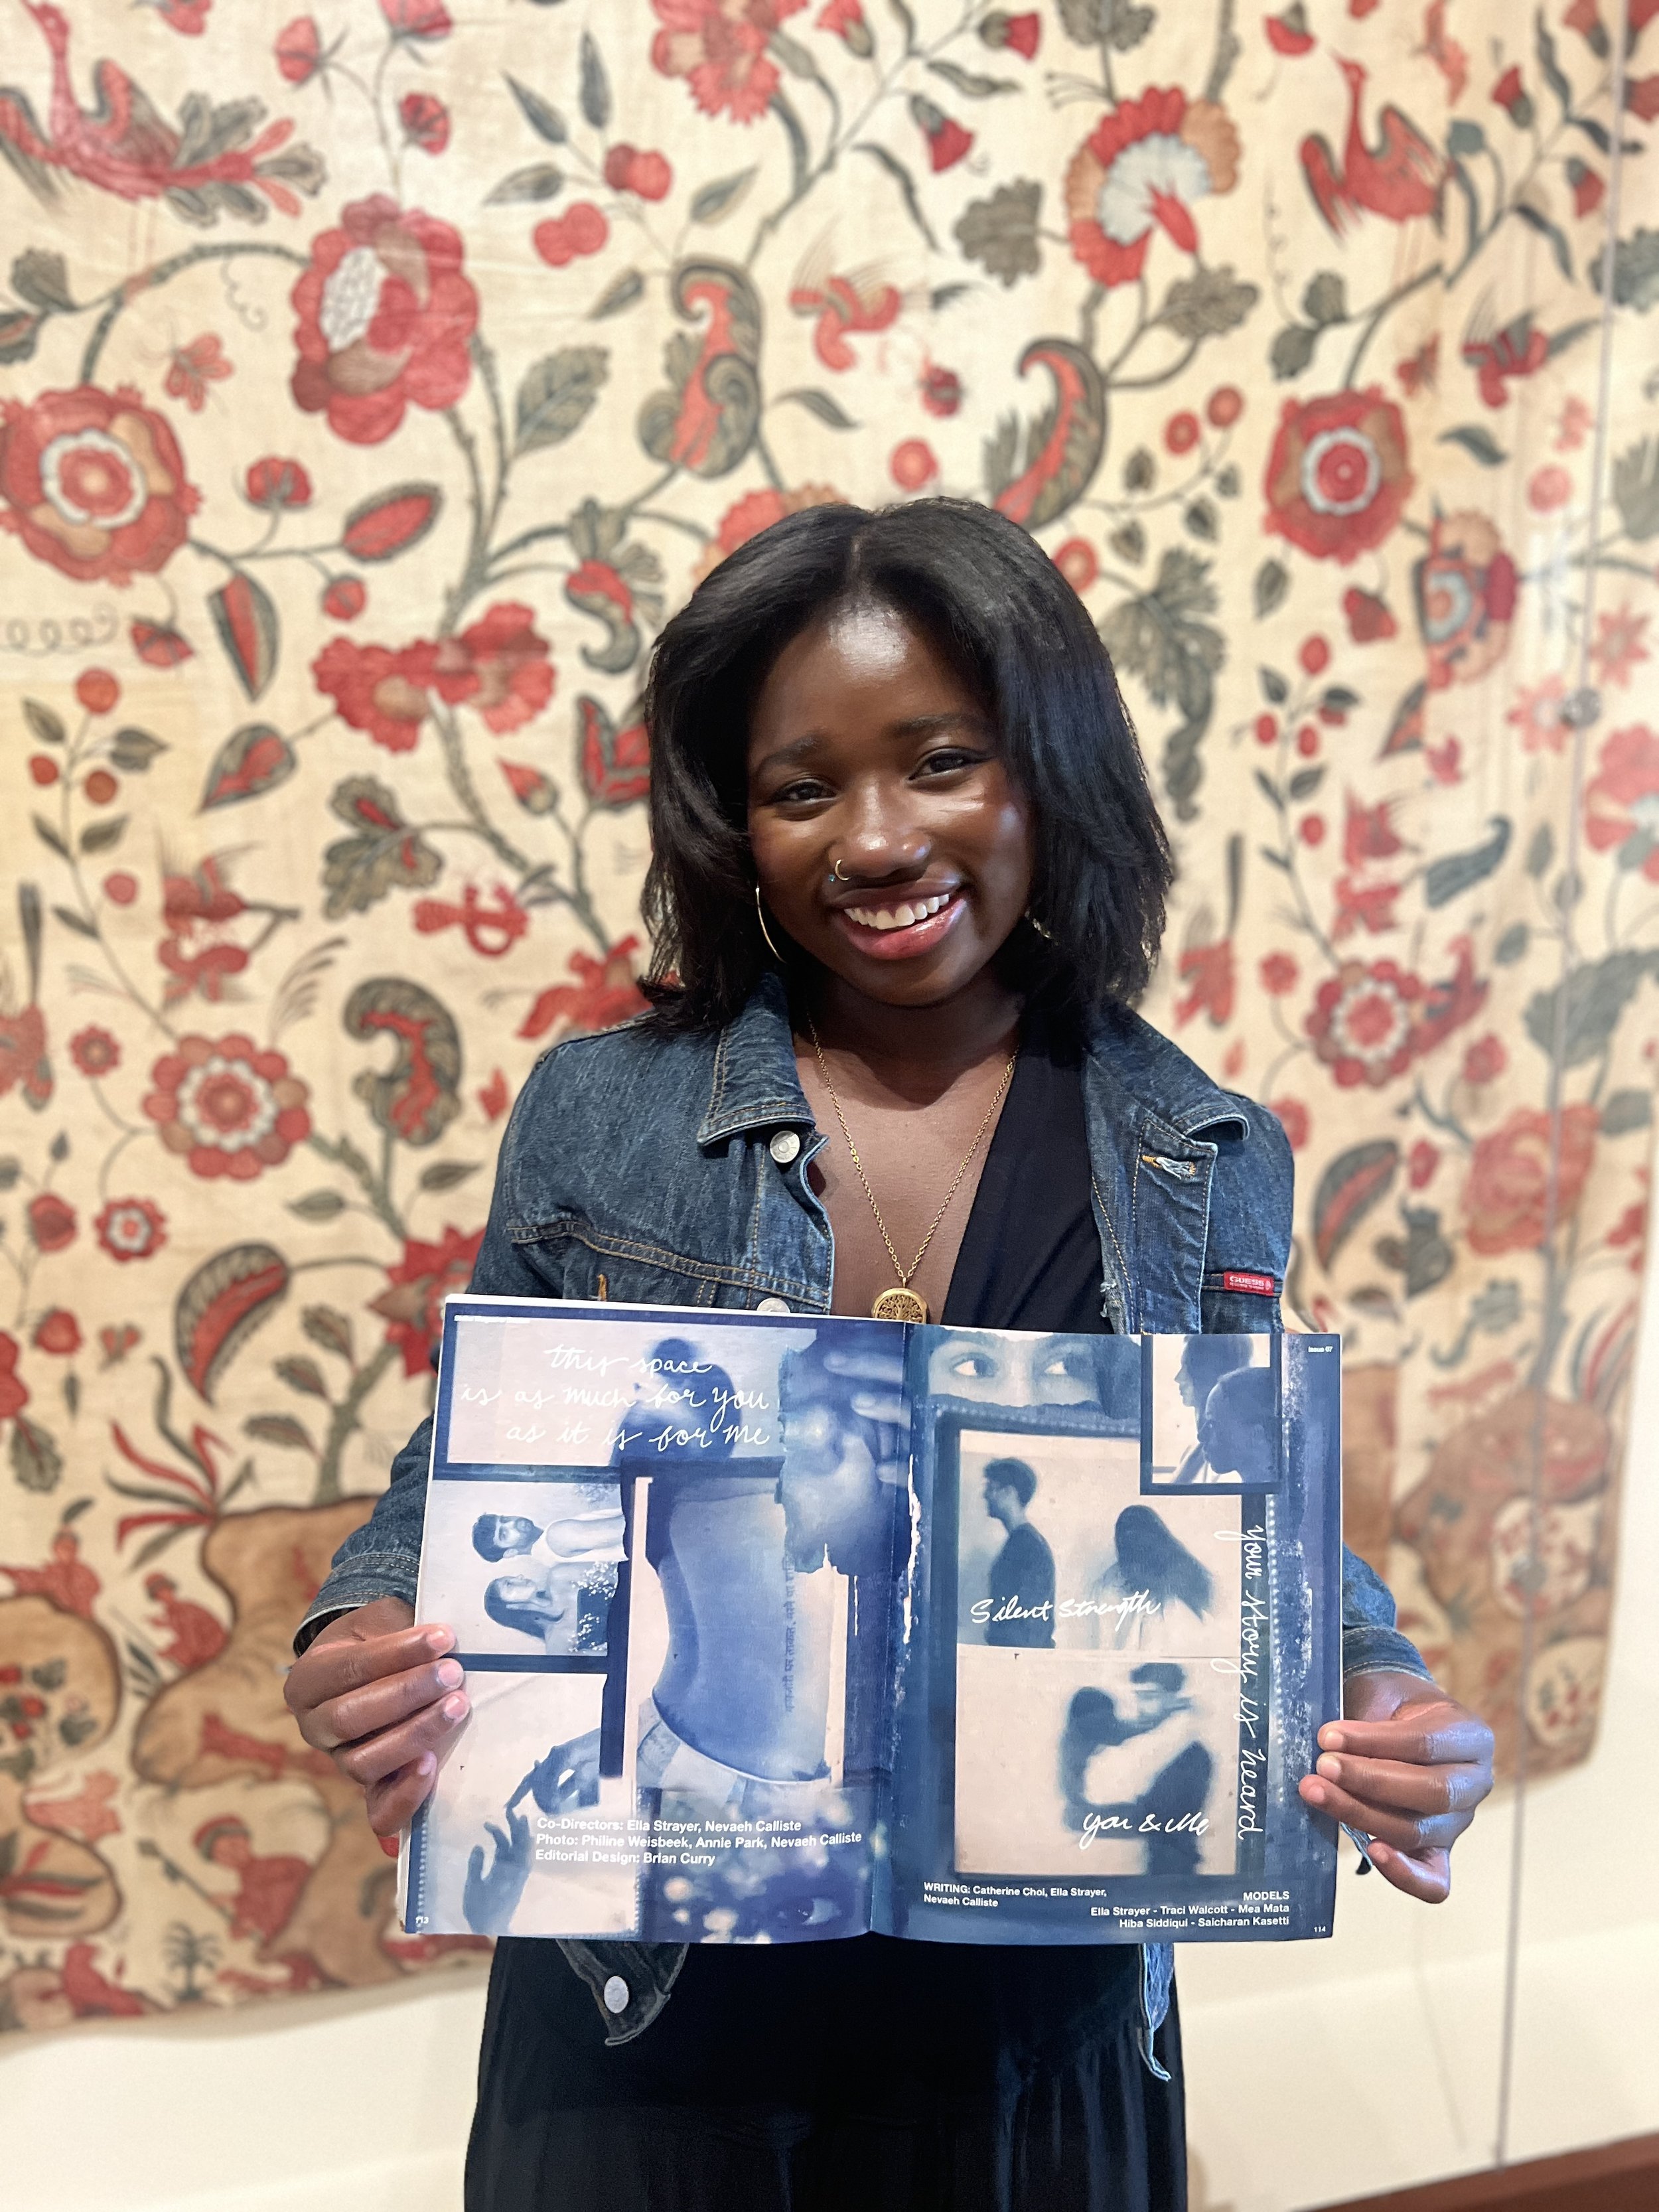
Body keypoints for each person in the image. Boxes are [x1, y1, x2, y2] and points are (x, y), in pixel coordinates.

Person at [283, 498, 1496, 2212]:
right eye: (799, 787)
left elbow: (1232, 1514)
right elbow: (468, 1467)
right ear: (733, 823)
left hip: (1032, 2019)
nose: (873, 836)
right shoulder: (604, 1109)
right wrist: (362, 1620)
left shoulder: (1198, 1145)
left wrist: (1382, 1698)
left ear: (1051, 770)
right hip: (652, 2009)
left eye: (940, 760)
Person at [980, 1457, 1056, 1647]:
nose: (985, 1495)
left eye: (991, 1487)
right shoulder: (1022, 1542)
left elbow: (1031, 1623)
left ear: (1009, 1493)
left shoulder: (1027, 1546)